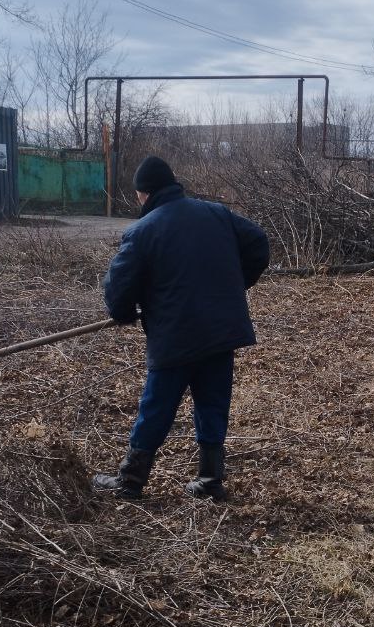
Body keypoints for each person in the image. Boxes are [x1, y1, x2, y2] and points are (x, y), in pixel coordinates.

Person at [93, 156, 270, 501]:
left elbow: (117, 292)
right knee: (213, 402)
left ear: (143, 194)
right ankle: (210, 479)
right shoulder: (217, 213)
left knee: (157, 406)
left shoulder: (142, 231)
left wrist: (125, 312)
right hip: (220, 330)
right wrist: (235, 284)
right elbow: (258, 242)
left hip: (175, 335)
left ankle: (130, 481)